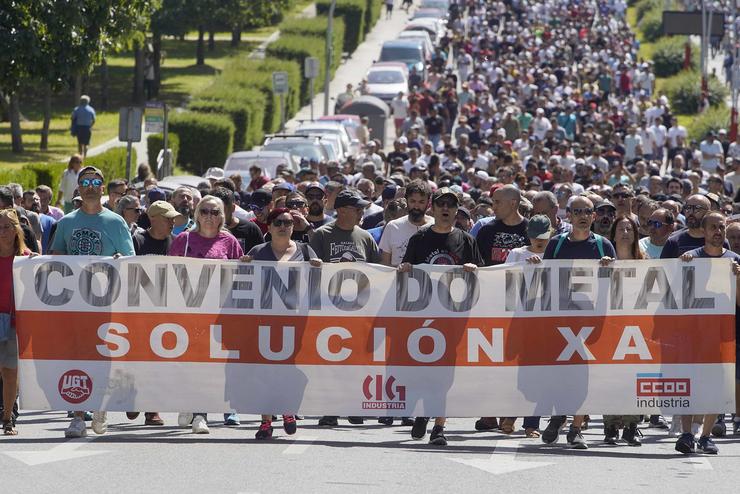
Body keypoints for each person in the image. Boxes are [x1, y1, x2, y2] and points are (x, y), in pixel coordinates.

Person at [50, 166, 135, 438]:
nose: (89, 186)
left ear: (102, 187)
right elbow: (55, 260)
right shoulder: (66, 222)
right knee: (75, 357)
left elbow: (130, 259)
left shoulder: (116, 222)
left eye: (95, 181)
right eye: (84, 181)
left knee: (103, 358)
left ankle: (99, 405)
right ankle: (77, 416)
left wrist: (120, 261)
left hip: (106, 306)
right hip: (74, 305)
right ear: (78, 187)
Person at [400, 187, 484, 446]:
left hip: (454, 318)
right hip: (424, 318)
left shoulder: (467, 240)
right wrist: (404, 269)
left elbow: (482, 277)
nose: (446, 209)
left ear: (457, 211)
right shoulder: (419, 239)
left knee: (446, 375)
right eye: (441, 204)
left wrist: (474, 270)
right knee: (424, 372)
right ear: (432, 209)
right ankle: (423, 414)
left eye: (451, 205)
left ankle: (439, 426)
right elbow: (406, 272)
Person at [535, 195, 617, 449]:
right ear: (568, 215)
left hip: (591, 322)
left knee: (584, 377)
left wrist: (609, 269)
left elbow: (616, 286)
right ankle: (559, 415)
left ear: (594, 216)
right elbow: (545, 280)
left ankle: (576, 428)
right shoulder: (556, 244)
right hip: (560, 320)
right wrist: (534, 266)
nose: (583, 215)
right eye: (577, 211)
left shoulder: (604, 246)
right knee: (561, 375)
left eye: (588, 211)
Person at [241, 208, 322, 439]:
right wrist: (243, 266)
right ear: (269, 226)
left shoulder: (305, 251)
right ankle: (265, 421)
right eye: (278, 222)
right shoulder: (257, 252)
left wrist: (317, 267)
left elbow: (317, 284)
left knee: (288, 370)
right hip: (264, 322)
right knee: (265, 371)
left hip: (295, 322)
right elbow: (244, 286)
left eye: (289, 222)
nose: (284, 226)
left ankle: (288, 409)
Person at [168, 195, 244, 434]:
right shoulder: (184, 239)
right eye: (205, 211)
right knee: (189, 363)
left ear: (223, 216)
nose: (209, 216)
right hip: (189, 312)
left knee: (210, 365)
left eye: (215, 212)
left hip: (220, 313)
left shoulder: (230, 242)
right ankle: (190, 403)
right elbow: (168, 273)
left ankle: (201, 412)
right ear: (197, 214)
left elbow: (241, 276)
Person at [310, 189, 380, 426]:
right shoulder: (321, 235)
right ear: (340, 210)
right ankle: (330, 408)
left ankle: (354, 405)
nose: (361, 212)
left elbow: (378, 272)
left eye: (362, 208)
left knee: (357, 361)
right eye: (356, 208)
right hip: (330, 309)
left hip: (360, 311)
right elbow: (312, 272)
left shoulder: (366, 237)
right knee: (331, 361)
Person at [678, 211, 740, 455]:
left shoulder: (735, 260)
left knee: (715, 387)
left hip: (723, 335)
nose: (718, 231)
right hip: (693, 334)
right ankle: (686, 433)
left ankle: (705, 436)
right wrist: (682, 268)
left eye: (721, 227)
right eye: (713, 227)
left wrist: (738, 277)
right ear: (703, 231)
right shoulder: (690, 258)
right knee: (690, 385)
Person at [0, 209, 32, 435]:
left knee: (10, 372)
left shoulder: (26, 257)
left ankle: (8, 417)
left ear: (16, 229)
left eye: (7, 227)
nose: (2, 232)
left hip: (14, 321)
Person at [475, 185, 529, 266]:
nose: (493, 207)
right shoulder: (486, 231)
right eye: (493, 202)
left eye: (497, 202)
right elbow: (476, 261)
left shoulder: (532, 230)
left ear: (513, 203)